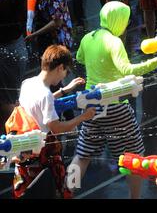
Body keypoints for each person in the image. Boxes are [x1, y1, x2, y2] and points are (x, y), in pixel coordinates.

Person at [68, 1, 157, 199]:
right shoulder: (114, 42)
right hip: (115, 106)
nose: (126, 25)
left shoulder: (88, 37)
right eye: (125, 20)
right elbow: (127, 70)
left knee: (82, 155)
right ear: (117, 19)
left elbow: (79, 58)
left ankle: (66, 192)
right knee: (134, 157)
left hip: (91, 105)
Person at [13, 44, 96, 198]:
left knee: (27, 192)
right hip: (43, 157)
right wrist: (82, 117)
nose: (65, 76)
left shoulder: (28, 83)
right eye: (66, 71)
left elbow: (40, 103)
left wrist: (65, 91)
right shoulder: (45, 94)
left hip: (24, 150)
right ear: (60, 68)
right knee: (52, 191)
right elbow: (56, 128)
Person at [0, 0, 26, 127]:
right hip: (19, 47)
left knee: (6, 98)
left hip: (5, 52)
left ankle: (18, 130)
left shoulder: (3, 5)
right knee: (15, 92)